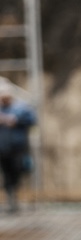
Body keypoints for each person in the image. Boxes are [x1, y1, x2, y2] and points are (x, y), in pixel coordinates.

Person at [0, 80, 36, 213]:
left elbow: (32, 120)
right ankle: (11, 197)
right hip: (3, 148)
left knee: (18, 170)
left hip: (18, 146)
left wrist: (16, 120)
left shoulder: (21, 107)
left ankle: (16, 193)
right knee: (6, 173)